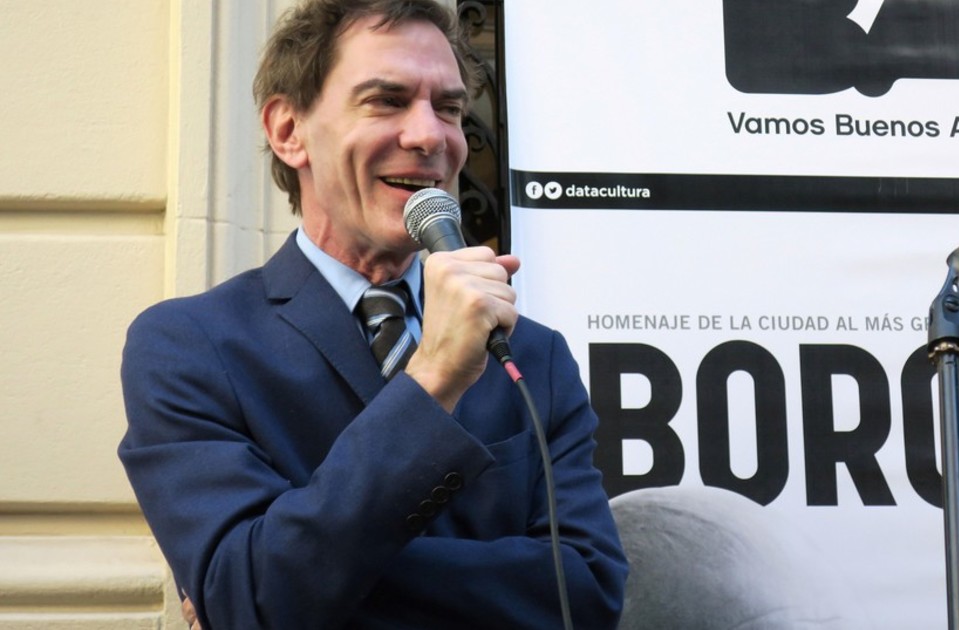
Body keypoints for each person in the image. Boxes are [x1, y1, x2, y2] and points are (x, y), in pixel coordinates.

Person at [117, 1, 627, 628]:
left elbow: (589, 591)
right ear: (288, 130)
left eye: (449, 107)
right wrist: (433, 378)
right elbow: (250, 597)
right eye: (387, 100)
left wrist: (303, 576)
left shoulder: (532, 354)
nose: (431, 136)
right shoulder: (192, 346)